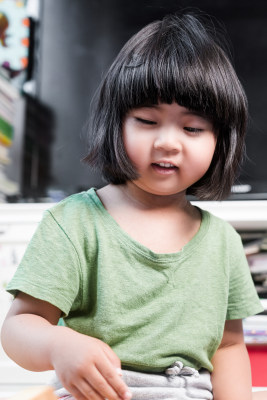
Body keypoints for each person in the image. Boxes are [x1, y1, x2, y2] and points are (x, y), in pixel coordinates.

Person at [1, 12, 265, 400]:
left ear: (220, 141)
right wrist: (60, 345)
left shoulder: (223, 241)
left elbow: (228, 348)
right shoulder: (74, 223)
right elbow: (19, 327)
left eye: (192, 128)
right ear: (115, 123)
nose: (169, 143)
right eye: (146, 120)